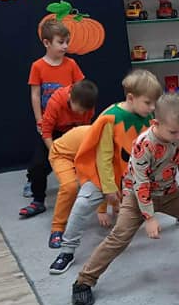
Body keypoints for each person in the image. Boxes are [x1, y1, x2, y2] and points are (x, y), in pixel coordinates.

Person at [71, 92, 179, 305]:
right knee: (119, 237)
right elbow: (141, 183)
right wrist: (149, 218)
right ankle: (84, 281)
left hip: (168, 192)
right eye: (173, 132)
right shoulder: (143, 144)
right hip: (137, 196)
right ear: (156, 123)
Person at [50, 69, 161, 275]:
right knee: (82, 204)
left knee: (168, 193)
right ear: (131, 98)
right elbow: (103, 157)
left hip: (130, 175)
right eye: (148, 102)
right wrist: (109, 189)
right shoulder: (111, 118)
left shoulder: (147, 117)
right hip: (103, 175)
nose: (152, 108)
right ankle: (67, 250)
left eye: (154, 103)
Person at [21, 20, 84, 213]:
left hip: (71, 126)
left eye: (67, 42)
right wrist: (39, 120)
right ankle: (38, 199)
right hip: (50, 126)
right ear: (47, 43)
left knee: (79, 159)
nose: (65, 46)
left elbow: (81, 91)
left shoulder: (71, 64)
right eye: (61, 42)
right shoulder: (38, 66)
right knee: (39, 165)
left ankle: (87, 192)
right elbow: (35, 95)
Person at [21, 79, 98, 222]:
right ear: (70, 98)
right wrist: (55, 154)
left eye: (84, 111)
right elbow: (46, 131)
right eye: (79, 110)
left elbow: (84, 130)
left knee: (85, 164)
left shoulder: (88, 106)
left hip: (74, 132)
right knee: (38, 166)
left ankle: (83, 198)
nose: (81, 113)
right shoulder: (56, 101)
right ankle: (38, 201)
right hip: (53, 133)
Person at [47, 124, 112, 249]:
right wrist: (102, 210)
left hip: (80, 156)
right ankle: (57, 228)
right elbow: (99, 175)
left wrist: (105, 208)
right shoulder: (97, 139)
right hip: (62, 155)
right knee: (70, 186)